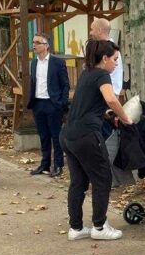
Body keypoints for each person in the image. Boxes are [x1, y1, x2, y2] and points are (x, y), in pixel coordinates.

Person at [61, 39, 132, 241]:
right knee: (102, 178)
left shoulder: (87, 73)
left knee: (78, 181)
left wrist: (106, 114)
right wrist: (125, 118)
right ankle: (99, 227)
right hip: (86, 135)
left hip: (68, 134)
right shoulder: (102, 74)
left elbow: (89, 104)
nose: (116, 64)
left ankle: (76, 227)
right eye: (115, 59)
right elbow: (111, 99)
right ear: (105, 58)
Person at [88, 17, 128, 188]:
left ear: (99, 30)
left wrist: (120, 113)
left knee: (106, 140)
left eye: (92, 29)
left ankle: (108, 177)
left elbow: (112, 83)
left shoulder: (111, 51)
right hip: (100, 98)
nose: (90, 32)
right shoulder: (99, 48)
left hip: (106, 99)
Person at [27, 33, 70, 177]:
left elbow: (65, 84)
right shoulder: (34, 63)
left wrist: (62, 103)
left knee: (56, 136)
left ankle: (58, 165)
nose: (34, 45)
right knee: (43, 135)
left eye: (38, 42)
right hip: (38, 103)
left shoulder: (57, 63)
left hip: (53, 104)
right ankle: (44, 164)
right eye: (33, 42)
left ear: (46, 45)